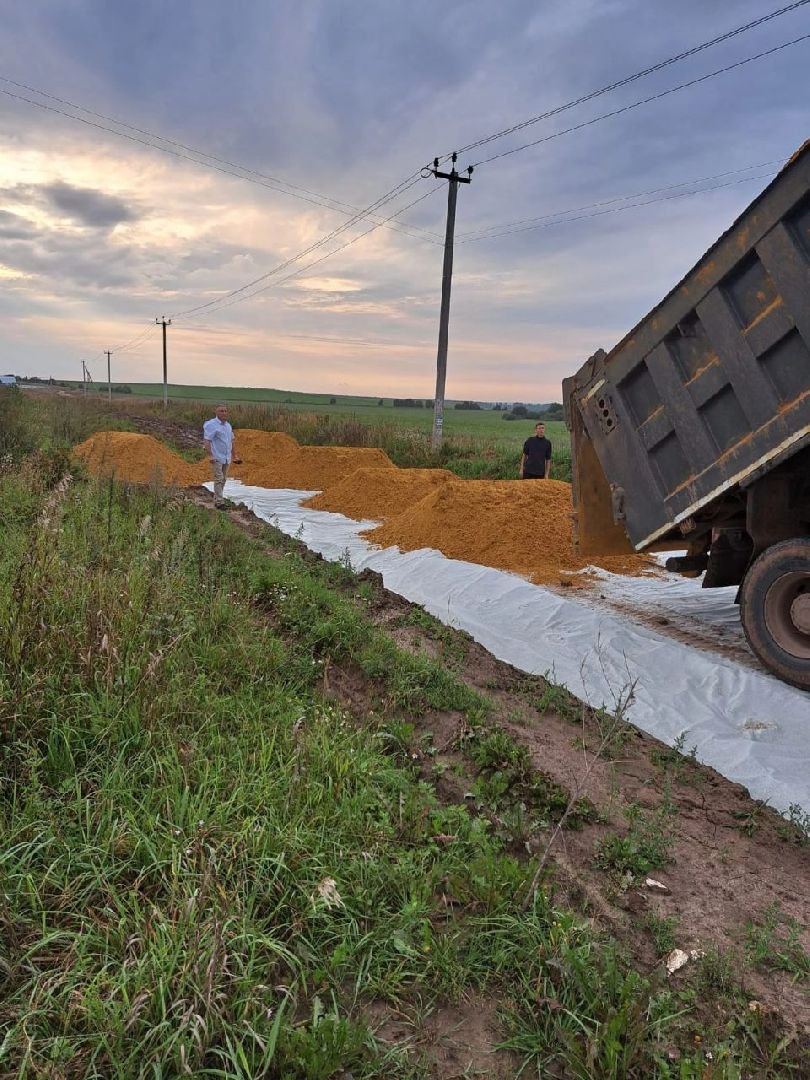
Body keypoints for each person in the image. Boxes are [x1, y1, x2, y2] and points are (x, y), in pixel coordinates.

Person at [203, 403, 239, 507]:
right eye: (221, 411)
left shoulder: (228, 426)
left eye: (225, 411)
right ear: (216, 412)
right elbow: (207, 440)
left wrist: (234, 455)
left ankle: (218, 498)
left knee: (223, 479)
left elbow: (232, 441)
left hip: (226, 457)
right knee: (218, 478)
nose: (224, 413)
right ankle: (219, 502)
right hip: (217, 456)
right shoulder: (212, 425)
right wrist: (210, 455)